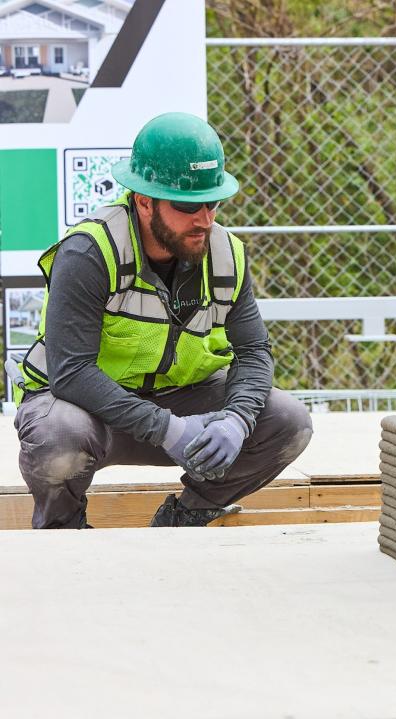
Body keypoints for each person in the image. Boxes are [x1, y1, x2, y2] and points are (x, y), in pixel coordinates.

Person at [10, 112, 313, 528]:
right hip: (91, 413)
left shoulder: (225, 254)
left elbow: (253, 351)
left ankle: (185, 518)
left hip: (184, 405)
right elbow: (71, 372)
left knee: (288, 420)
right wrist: (167, 429)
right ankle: (65, 532)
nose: (204, 219)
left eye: (213, 203)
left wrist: (236, 420)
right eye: (188, 206)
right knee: (57, 436)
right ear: (144, 200)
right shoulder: (90, 252)